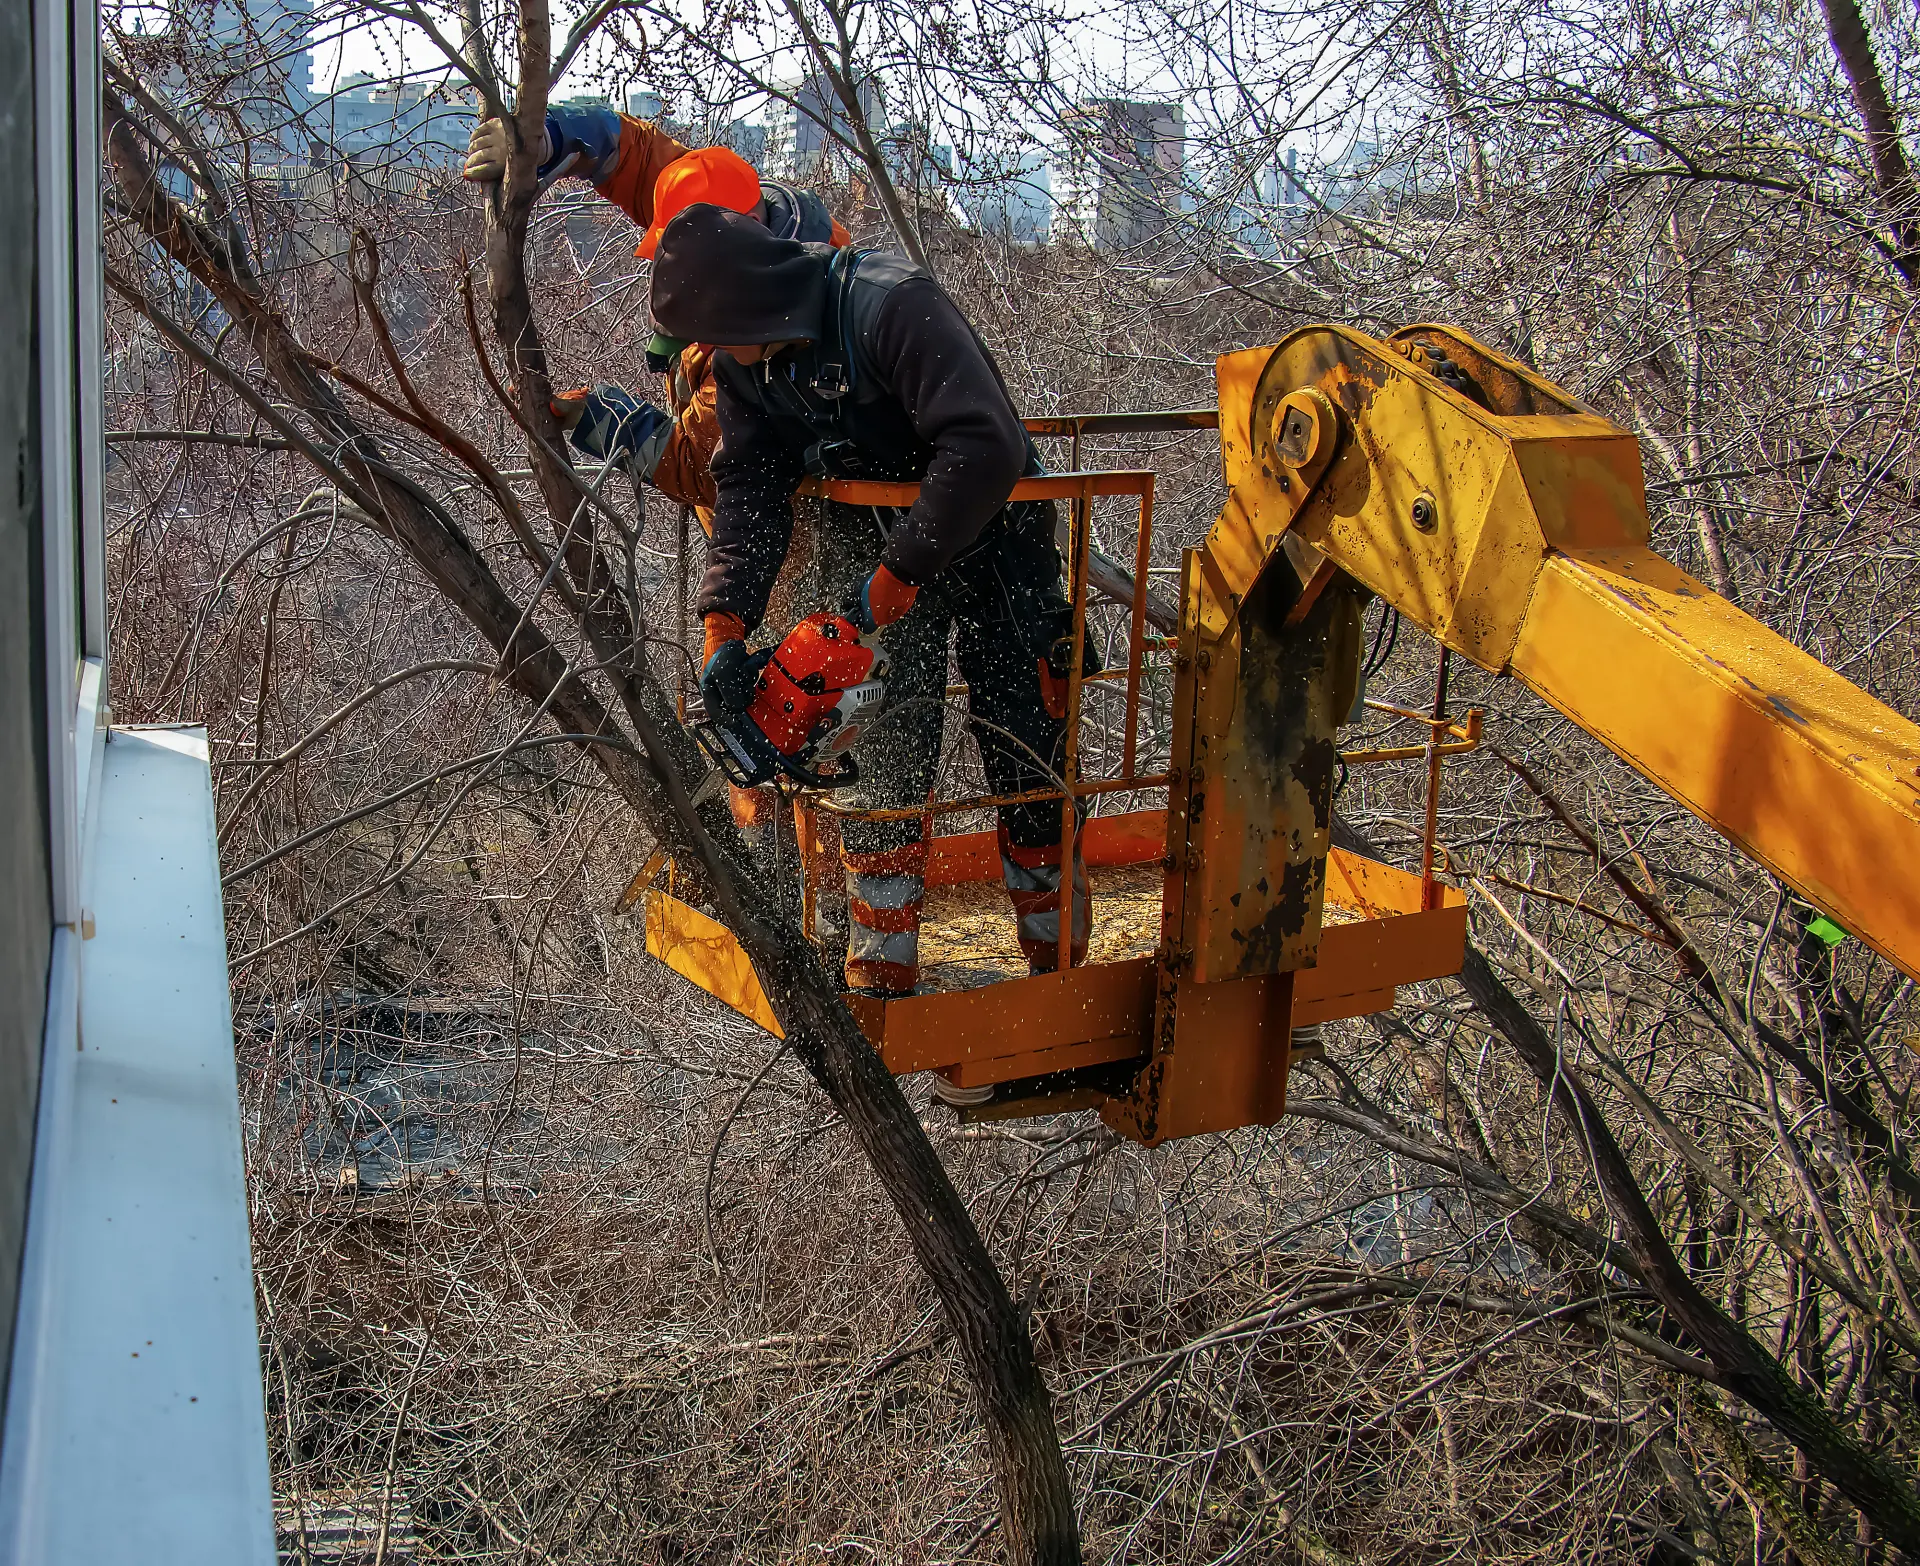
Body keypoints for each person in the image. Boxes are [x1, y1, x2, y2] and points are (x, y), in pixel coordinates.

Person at [650, 203, 1093, 997]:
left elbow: (982, 441)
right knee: (881, 757)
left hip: (995, 534)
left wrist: (900, 576)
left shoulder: (890, 304)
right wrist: (727, 625)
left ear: (747, 302)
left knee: (1026, 750)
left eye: (715, 338)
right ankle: (881, 962)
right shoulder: (753, 364)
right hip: (870, 545)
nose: (713, 358)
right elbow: (750, 484)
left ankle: (1054, 968)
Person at [461, 104, 849, 512]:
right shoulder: (722, 210)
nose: (674, 269)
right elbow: (635, 153)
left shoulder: (784, 336)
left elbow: (708, 469)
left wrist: (598, 416)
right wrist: (546, 139)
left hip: (789, 540)